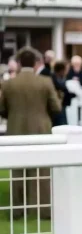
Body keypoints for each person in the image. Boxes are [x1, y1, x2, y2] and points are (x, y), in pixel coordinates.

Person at [0, 47, 62, 220]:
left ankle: (17, 210)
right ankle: (44, 210)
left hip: (16, 130)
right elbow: (56, 107)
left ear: (19, 63)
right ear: (36, 63)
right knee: (42, 171)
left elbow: (2, 109)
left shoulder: (9, 84)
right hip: (41, 130)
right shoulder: (45, 82)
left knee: (17, 171)